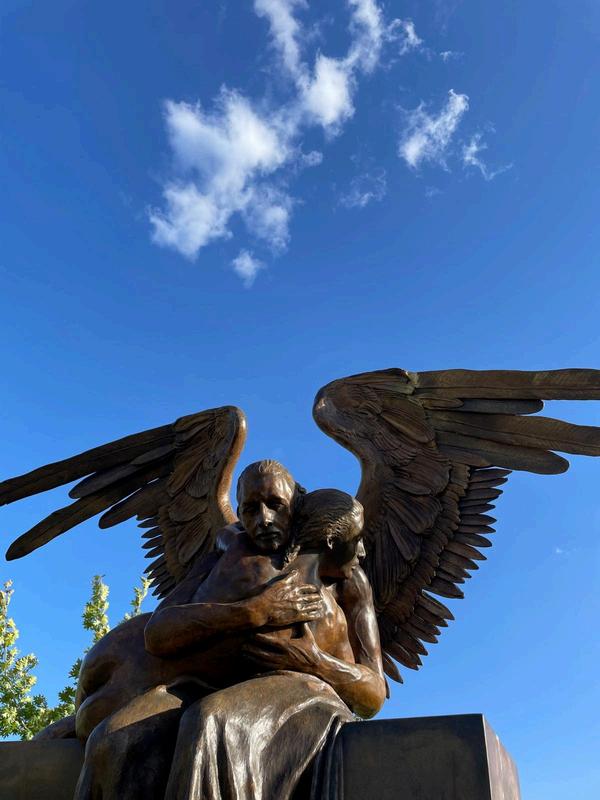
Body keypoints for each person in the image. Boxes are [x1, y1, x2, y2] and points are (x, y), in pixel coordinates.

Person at [73, 462, 384, 799]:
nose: (264, 519)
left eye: (275, 505)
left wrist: (315, 662)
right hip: (201, 685)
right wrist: (252, 612)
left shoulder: (344, 574)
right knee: (111, 738)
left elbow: (373, 696)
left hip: (300, 688)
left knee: (211, 722)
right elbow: (158, 633)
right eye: (250, 509)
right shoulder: (227, 556)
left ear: (297, 504)